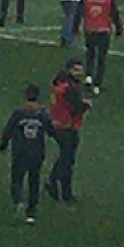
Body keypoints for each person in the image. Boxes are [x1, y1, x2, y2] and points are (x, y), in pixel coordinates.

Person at [0, 84, 54, 224]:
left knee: (17, 178)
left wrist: (3, 146)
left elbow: (8, 130)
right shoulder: (42, 114)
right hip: (37, 152)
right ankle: (31, 212)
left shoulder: (18, 113)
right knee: (34, 180)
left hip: (20, 152)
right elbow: (52, 131)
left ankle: (19, 200)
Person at [46, 58, 88, 204]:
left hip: (57, 123)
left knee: (66, 157)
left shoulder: (59, 82)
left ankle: (60, 188)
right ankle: (59, 187)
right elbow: (76, 107)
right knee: (67, 159)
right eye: (77, 69)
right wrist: (86, 106)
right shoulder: (70, 87)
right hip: (68, 125)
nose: (80, 72)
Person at [75, 0, 123, 95]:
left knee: (90, 53)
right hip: (104, 30)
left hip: (90, 30)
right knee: (102, 57)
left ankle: (89, 75)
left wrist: (75, 26)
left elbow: (79, 12)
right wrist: (119, 29)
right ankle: (97, 83)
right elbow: (114, 13)